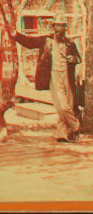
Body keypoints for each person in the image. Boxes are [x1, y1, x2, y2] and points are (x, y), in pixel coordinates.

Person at [10, 14, 81, 143]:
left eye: (63, 26)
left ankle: (62, 133)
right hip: (54, 76)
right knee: (62, 106)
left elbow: (78, 58)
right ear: (54, 27)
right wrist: (16, 35)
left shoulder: (70, 43)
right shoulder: (46, 41)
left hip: (68, 76)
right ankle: (75, 126)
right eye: (58, 26)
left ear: (65, 28)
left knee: (68, 106)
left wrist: (74, 59)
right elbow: (30, 43)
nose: (61, 29)